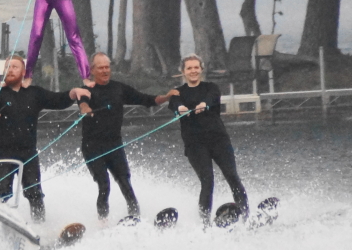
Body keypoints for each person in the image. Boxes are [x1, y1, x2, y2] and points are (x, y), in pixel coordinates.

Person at [0, 56, 90, 221]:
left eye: (15, 67)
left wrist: (73, 93)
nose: (10, 70)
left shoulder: (34, 93)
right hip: (1, 153)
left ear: (23, 72)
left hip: (28, 153)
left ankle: (39, 225)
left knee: (34, 193)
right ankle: (2, 225)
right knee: (2, 193)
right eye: (7, 67)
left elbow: (58, 100)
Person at [77, 53, 173, 220]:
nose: (105, 70)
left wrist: (165, 97)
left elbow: (144, 99)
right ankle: (102, 222)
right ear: (92, 70)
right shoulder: (86, 89)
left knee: (125, 183)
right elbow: (82, 101)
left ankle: (136, 218)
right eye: (101, 67)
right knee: (104, 185)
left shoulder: (119, 88)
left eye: (107, 67)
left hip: (114, 145)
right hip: (92, 147)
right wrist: (85, 107)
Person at [168, 55, 250, 225]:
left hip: (218, 140)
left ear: (201, 69)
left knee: (232, 176)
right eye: (189, 68)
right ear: (183, 71)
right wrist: (181, 108)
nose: (193, 71)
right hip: (195, 145)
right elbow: (175, 103)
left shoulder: (211, 88)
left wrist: (204, 104)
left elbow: (212, 98)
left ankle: (246, 218)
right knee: (207, 182)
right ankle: (205, 224)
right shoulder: (177, 93)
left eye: (196, 67)